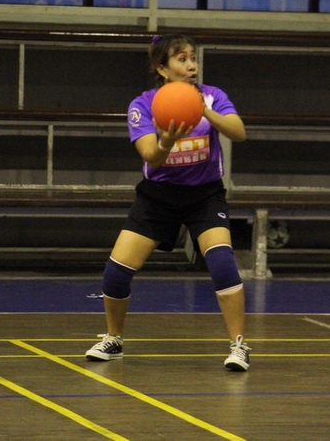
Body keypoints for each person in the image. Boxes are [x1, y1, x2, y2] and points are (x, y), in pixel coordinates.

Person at [85, 34, 252, 371]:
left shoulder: (212, 96)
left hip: (205, 195)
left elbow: (239, 132)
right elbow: (150, 154)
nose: (191, 65)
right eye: (181, 59)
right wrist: (166, 141)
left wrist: (204, 111)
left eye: (193, 57)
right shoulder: (143, 105)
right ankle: (114, 339)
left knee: (222, 264)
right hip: (158, 197)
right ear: (162, 68)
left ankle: (239, 346)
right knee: (116, 273)